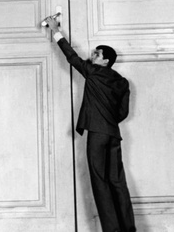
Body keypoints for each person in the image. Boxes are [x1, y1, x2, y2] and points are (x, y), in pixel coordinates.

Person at [44, 16, 136, 232]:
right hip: (113, 135)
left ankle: (112, 230)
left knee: (100, 182)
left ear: (105, 61)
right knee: (118, 182)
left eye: (97, 54)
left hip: (97, 133)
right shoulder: (122, 82)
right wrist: (107, 120)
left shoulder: (94, 72)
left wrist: (56, 30)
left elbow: (71, 57)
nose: (92, 55)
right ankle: (129, 229)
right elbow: (122, 113)